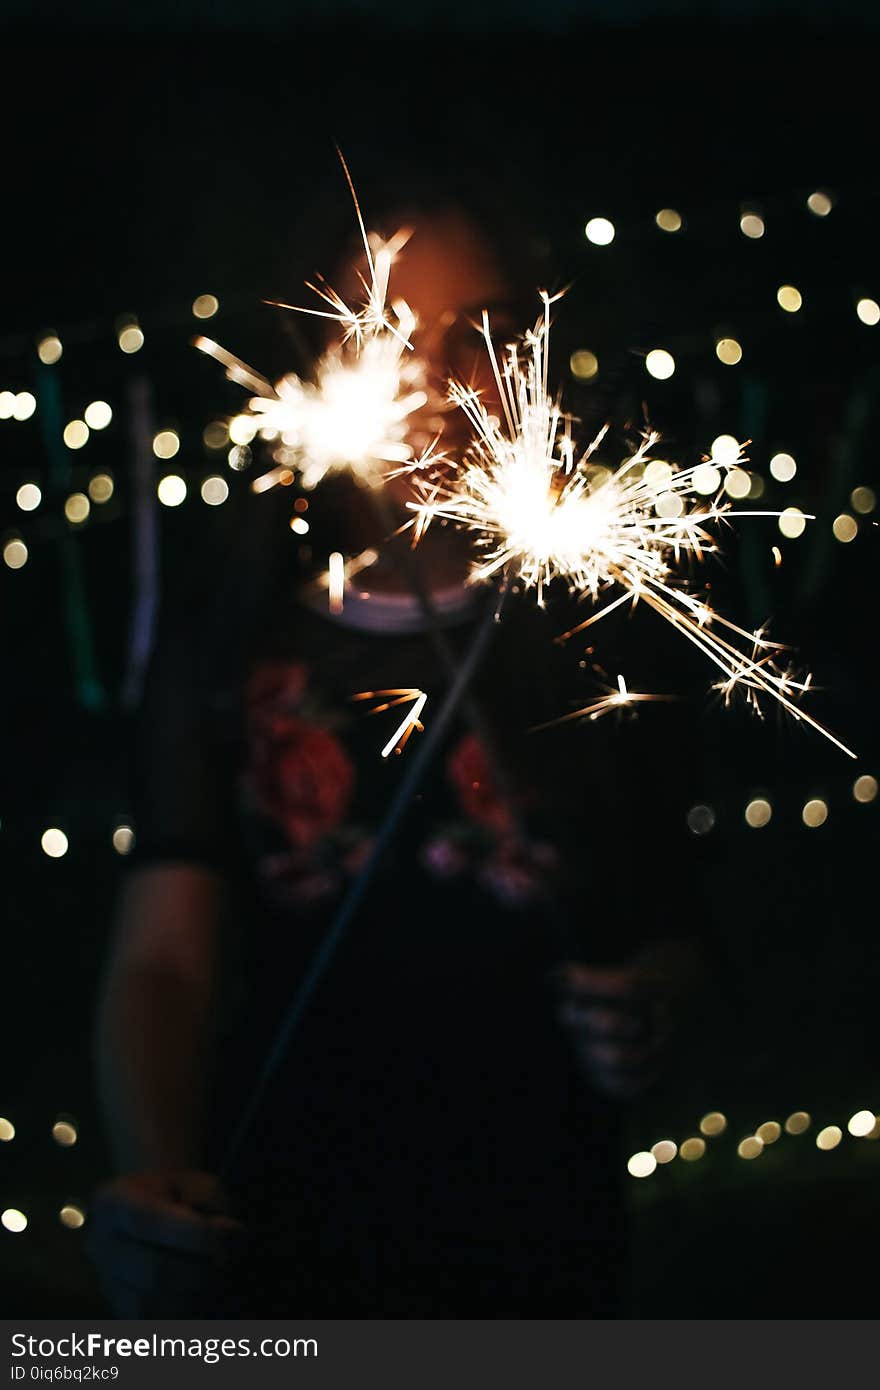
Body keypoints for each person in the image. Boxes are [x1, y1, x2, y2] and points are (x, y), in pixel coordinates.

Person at [90, 203, 705, 1317]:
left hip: (540, 1219)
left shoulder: (592, 631)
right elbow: (164, 954)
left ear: (532, 352)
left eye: (479, 331)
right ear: (326, 356)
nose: (434, 377)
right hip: (277, 1212)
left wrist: (650, 999)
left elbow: (673, 914)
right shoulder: (235, 630)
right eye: (390, 333)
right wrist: (153, 1172)